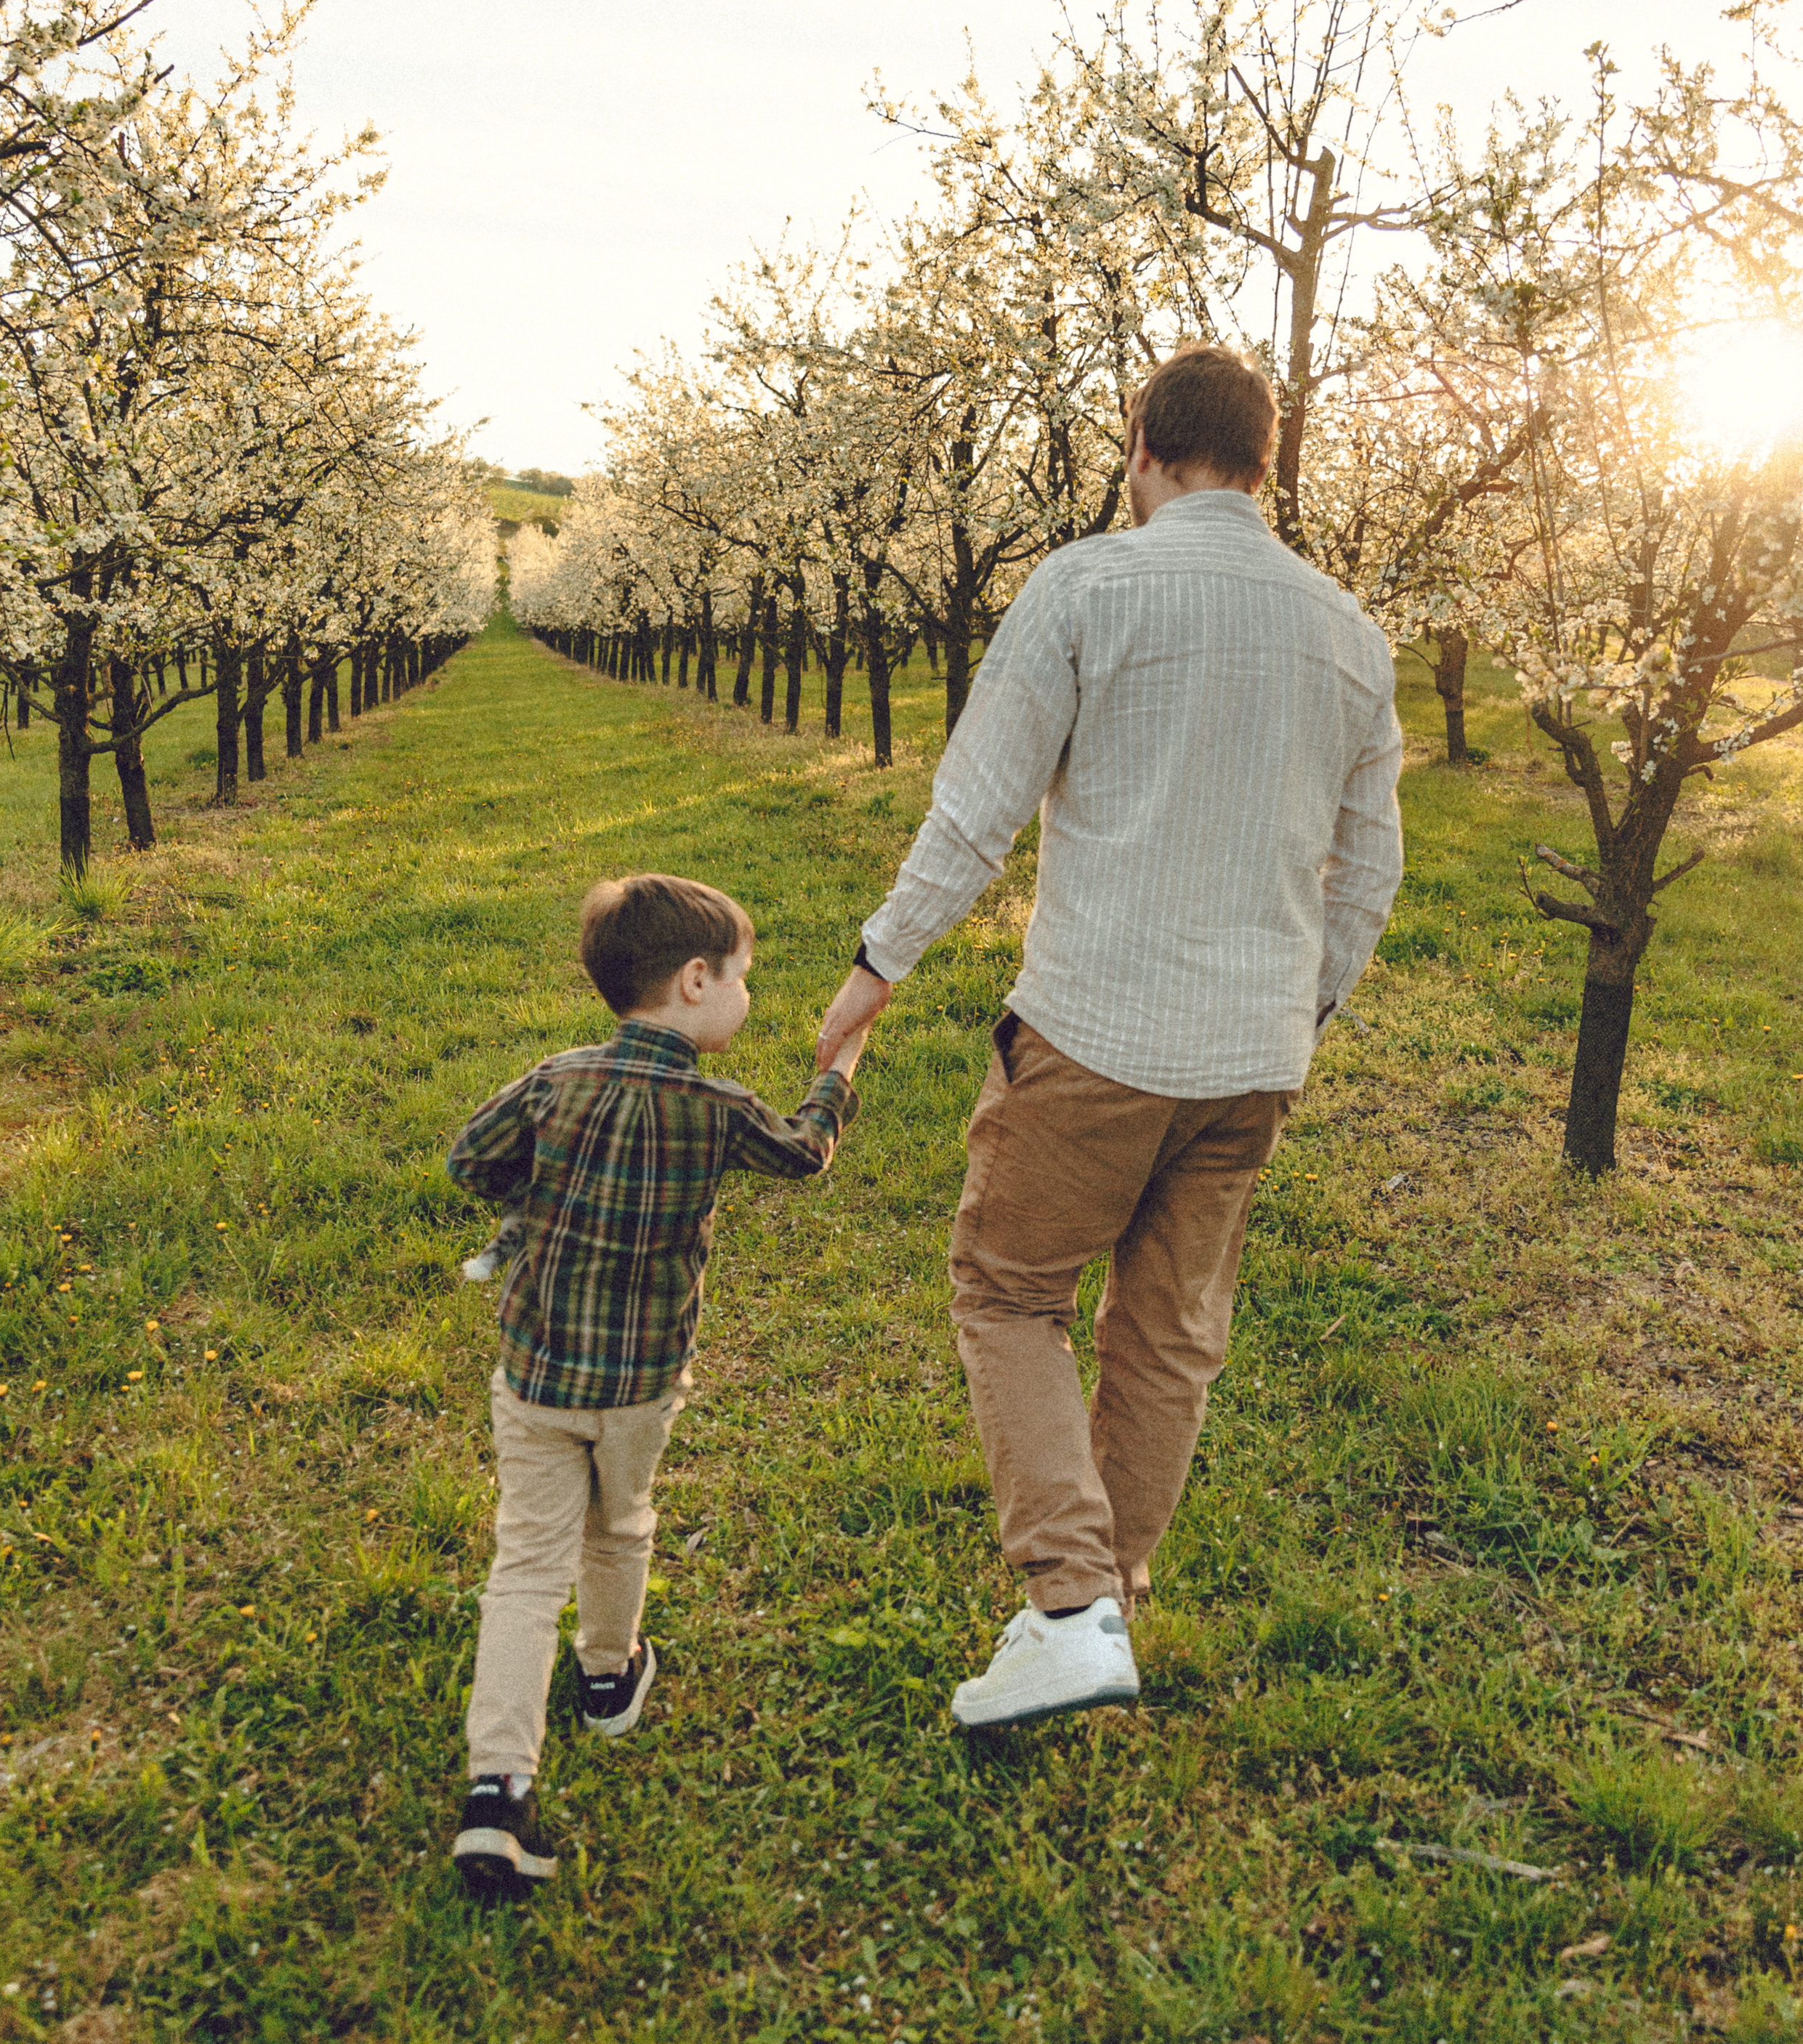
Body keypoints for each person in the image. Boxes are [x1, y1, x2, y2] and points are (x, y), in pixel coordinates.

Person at [815, 343, 1403, 1730]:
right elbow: (1367, 870)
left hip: (1097, 1032)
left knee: (1009, 1289)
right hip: (1255, 1056)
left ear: (1144, 448)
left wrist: (873, 973)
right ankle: (1101, 1607)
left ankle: (1072, 1604)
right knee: (1170, 1334)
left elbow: (977, 808)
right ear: (1266, 461)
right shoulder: (1351, 633)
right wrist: (1299, 1003)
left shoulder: (1088, 584)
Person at [446, 870, 870, 1896]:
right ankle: (606, 1674)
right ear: (693, 983)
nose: (746, 995)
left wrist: (531, 1196)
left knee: (525, 1567)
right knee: (622, 1521)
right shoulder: (719, 1108)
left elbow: (471, 1161)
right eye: (742, 978)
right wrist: (841, 1067)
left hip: (538, 1373)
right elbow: (806, 1152)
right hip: (640, 1383)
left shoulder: (557, 1080)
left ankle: (497, 1794)